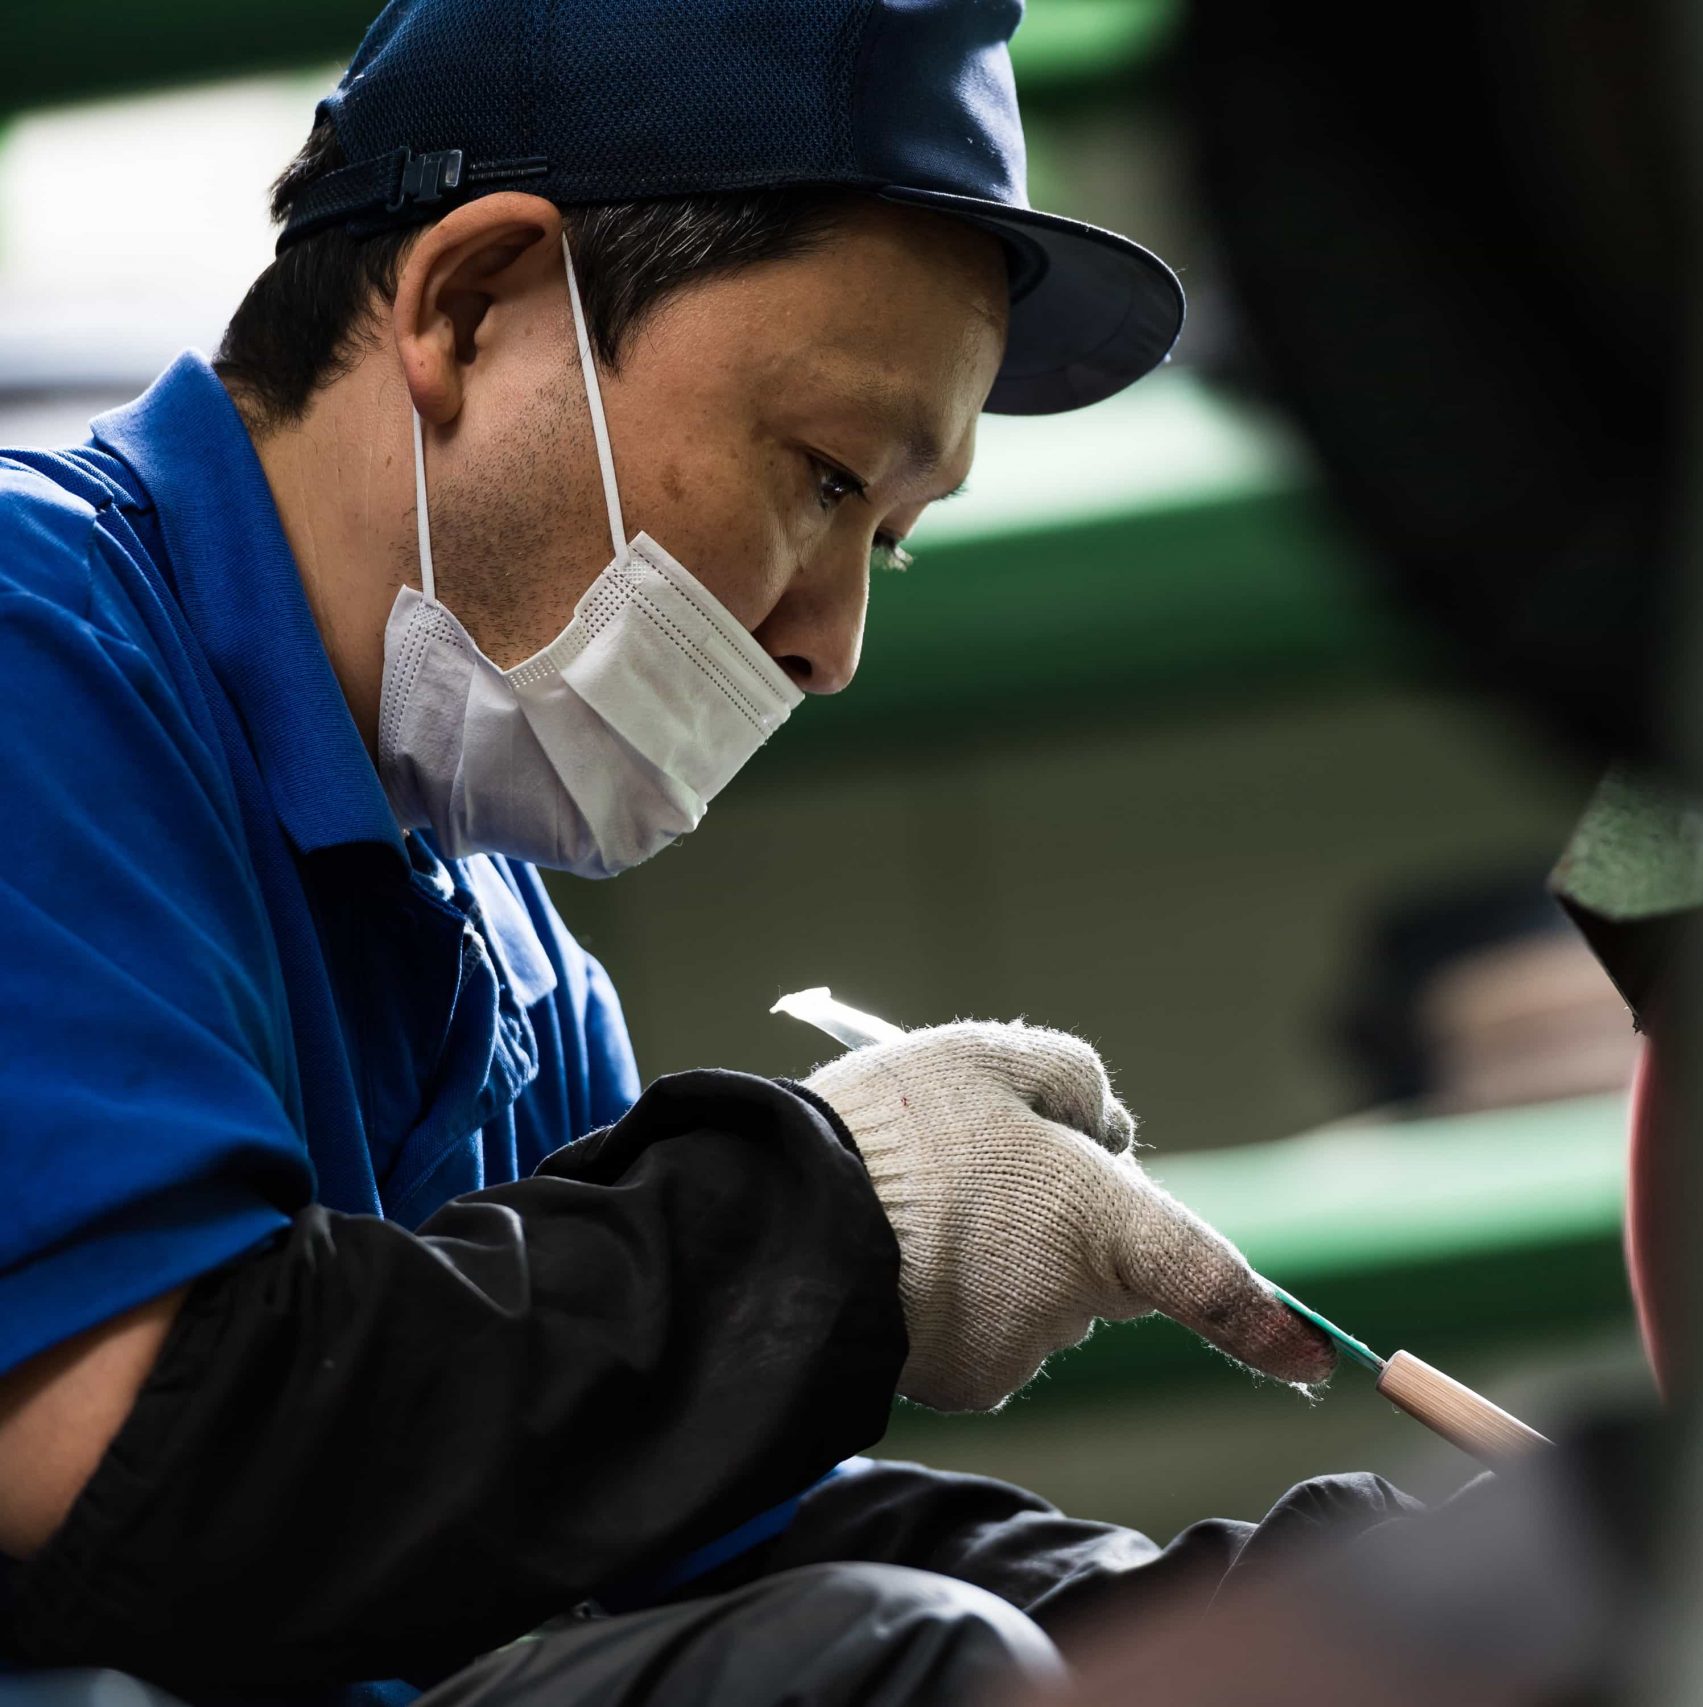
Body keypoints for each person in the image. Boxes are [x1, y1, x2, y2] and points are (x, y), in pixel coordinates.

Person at [0, 4, 1410, 1703]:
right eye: (822, 479)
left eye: (889, 541)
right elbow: (133, 1454)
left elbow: (635, 1535)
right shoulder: (36, 655)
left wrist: (1274, 1621)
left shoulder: (498, 953)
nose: (832, 644)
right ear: (467, 304)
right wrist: (842, 1217)